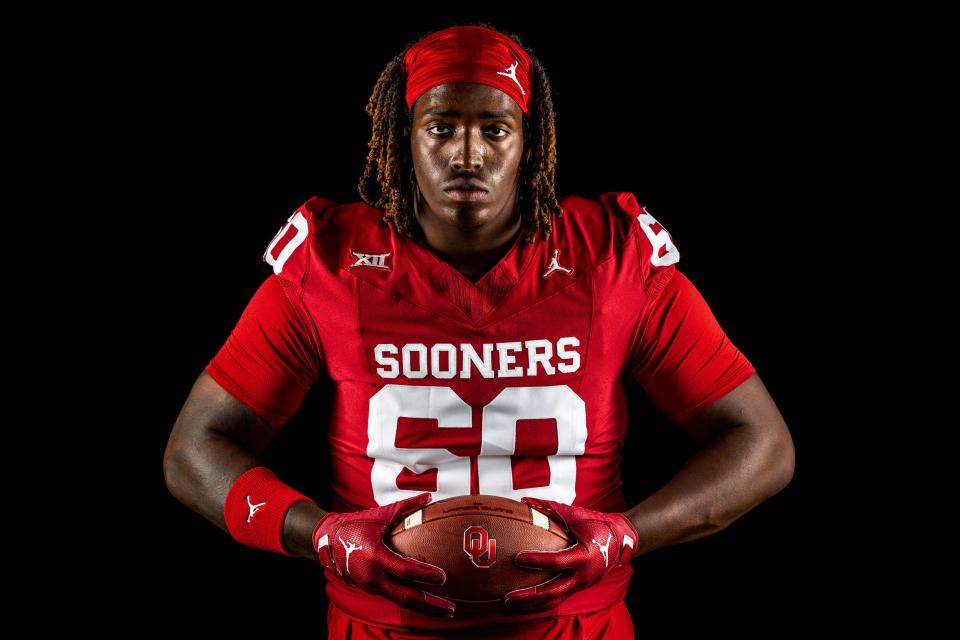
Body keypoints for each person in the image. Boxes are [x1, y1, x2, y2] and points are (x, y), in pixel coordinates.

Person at [163, 21, 795, 639]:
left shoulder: (609, 259)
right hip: (381, 627)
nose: (467, 155)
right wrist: (325, 537)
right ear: (405, 138)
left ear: (530, 140)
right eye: (441, 128)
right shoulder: (332, 263)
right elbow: (194, 451)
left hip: (577, 625)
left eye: (495, 129)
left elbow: (763, 445)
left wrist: (625, 536)